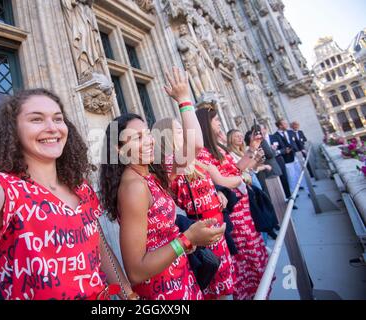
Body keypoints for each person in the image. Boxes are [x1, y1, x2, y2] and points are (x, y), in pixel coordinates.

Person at [0, 0, 136, 300]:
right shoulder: (8, 193)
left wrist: (127, 294)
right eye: (36, 119)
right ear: (12, 133)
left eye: (58, 118)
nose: (52, 127)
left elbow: (97, 243)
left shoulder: (80, 188)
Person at [99, 67, 224, 300]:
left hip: (182, 278)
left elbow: (194, 146)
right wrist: (187, 240)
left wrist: (184, 99)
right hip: (164, 292)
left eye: (146, 133)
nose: (147, 141)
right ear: (119, 149)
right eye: (136, 138)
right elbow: (136, 271)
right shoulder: (134, 187)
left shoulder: (151, 172)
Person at [152, 117, 235, 300]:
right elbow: (197, 143)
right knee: (216, 290)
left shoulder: (189, 160)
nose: (186, 133)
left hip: (216, 225)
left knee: (225, 287)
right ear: (168, 137)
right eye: (180, 131)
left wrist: (219, 191)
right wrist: (183, 99)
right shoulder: (168, 163)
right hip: (201, 228)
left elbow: (210, 180)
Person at [195, 108, 270, 300]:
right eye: (216, 120)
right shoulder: (202, 152)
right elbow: (222, 180)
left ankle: (259, 293)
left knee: (254, 254)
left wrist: (253, 146)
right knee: (244, 258)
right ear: (205, 123)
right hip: (233, 212)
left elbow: (236, 169)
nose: (220, 123)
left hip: (243, 208)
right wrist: (237, 179)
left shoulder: (217, 147)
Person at [272, 119, 308, 196]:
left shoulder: (290, 132)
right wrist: (284, 151)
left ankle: (306, 188)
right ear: (280, 126)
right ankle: (294, 192)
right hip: (286, 159)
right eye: (284, 124)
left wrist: (302, 149)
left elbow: (298, 142)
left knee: (300, 172)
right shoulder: (275, 136)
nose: (287, 125)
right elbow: (277, 147)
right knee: (291, 175)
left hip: (296, 155)